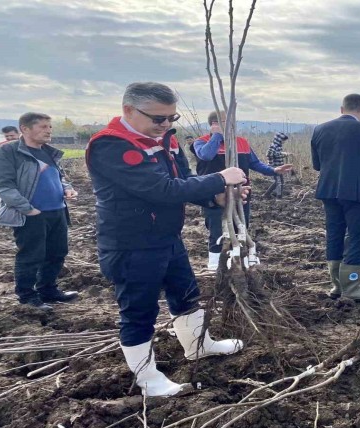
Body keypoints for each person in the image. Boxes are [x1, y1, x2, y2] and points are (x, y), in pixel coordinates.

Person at [86, 82, 249, 397]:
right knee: (139, 311)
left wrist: (217, 198)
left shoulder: (166, 142)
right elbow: (160, 189)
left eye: (172, 118)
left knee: (185, 294)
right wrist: (219, 178)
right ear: (128, 111)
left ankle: (199, 346)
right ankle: (148, 379)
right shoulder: (112, 145)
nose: (165, 125)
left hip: (166, 237)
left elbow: (184, 182)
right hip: (131, 244)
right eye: (158, 119)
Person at [0, 113, 79, 311]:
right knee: (31, 255)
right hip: (31, 214)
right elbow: (3, 185)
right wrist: (28, 209)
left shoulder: (48, 152)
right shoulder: (10, 151)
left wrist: (67, 188)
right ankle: (27, 297)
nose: (49, 130)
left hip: (57, 211)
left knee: (57, 253)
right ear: (24, 129)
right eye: (43, 126)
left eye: (49, 126)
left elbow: (59, 177)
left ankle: (48, 289)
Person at [194, 111, 293, 270]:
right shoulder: (201, 142)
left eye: (232, 122)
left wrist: (274, 170)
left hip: (242, 194)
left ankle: (242, 260)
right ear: (214, 124)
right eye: (227, 122)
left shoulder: (241, 142)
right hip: (215, 196)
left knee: (241, 226)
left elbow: (255, 163)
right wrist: (217, 136)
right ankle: (215, 265)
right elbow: (206, 156)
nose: (232, 126)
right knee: (217, 229)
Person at [312, 93, 360, 302]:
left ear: (341, 109)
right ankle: (352, 286)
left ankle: (336, 286)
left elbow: (317, 165)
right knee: (359, 236)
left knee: (334, 233)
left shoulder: (320, 129)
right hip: (357, 191)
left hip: (328, 190)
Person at [264, 131, 289, 198]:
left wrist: (284, 154)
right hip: (274, 167)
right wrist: (282, 154)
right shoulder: (273, 146)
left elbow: (277, 154)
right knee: (278, 182)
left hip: (279, 167)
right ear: (279, 140)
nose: (284, 142)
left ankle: (276, 194)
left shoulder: (278, 147)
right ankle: (275, 196)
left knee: (281, 181)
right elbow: (269, 154)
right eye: (283, 140)